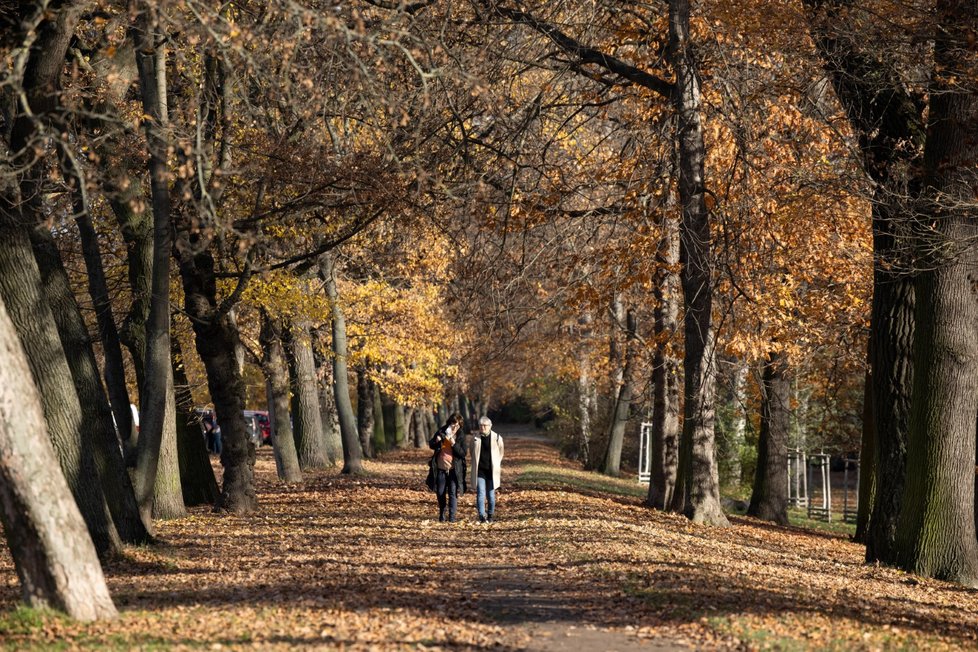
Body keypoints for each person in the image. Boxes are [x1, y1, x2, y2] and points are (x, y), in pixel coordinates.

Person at [427, 412, 466, 522]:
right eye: (453, 423)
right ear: (449, 422)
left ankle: (452, 516)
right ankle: (442, 512)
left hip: (454, 468)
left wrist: (454, 444)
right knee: (440, 492)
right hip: (440, 467)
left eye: (457, 425)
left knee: (453, 492)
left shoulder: (461, 435)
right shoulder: (442, 430)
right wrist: (437, 441)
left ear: (460, 425)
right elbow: (431, 444)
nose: (454, 426)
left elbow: (463, 453)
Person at [469, 415, 504, 524]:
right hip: (480, 471)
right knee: (480, 493)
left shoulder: (497, 437)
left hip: (492, 471)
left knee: (491, 495)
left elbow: (501, 453)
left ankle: (490, 515)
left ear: (490, 426)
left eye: (484, 425)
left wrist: (496, 464)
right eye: (480, 425)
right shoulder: (475, 438)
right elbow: (471, 452)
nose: (482, 427)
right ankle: (481, 516)